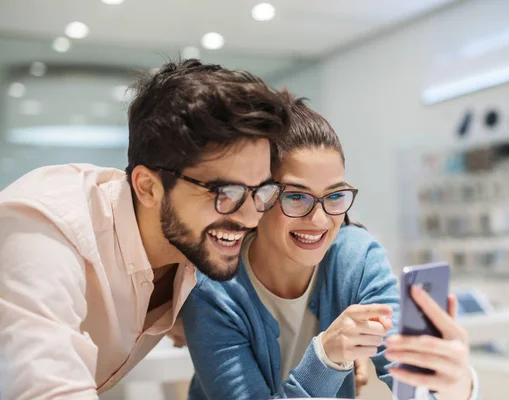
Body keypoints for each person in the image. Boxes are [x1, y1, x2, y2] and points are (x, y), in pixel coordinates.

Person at [0, 59, 291, 399]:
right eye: (224, 192)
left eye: (261, 191)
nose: (250, 217)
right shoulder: (44, 227)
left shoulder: (196, 243)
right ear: (148, 187)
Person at [181, 91, 479, 399]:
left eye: (335, 196)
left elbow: (409, 380)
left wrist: (454, 385)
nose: (321, 220)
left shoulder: (356, 257)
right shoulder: (213, 289)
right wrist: (325, 359)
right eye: (296, 197)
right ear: (260, 196)